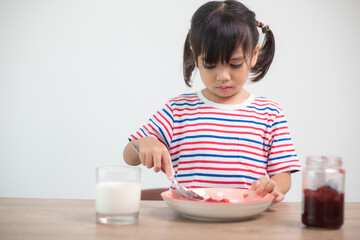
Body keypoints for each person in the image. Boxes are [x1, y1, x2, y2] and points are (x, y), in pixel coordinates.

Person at [123, 0, 301, 203]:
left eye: (234, 64)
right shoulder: (178, 110)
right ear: (195, 56)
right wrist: (143, 143)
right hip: (190, 221)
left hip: (246, 224)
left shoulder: (269, 113)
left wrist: (273, 185)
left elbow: (283, 174)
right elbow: (129, 156)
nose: (223, 76)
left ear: (253, 55)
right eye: (209, 64)